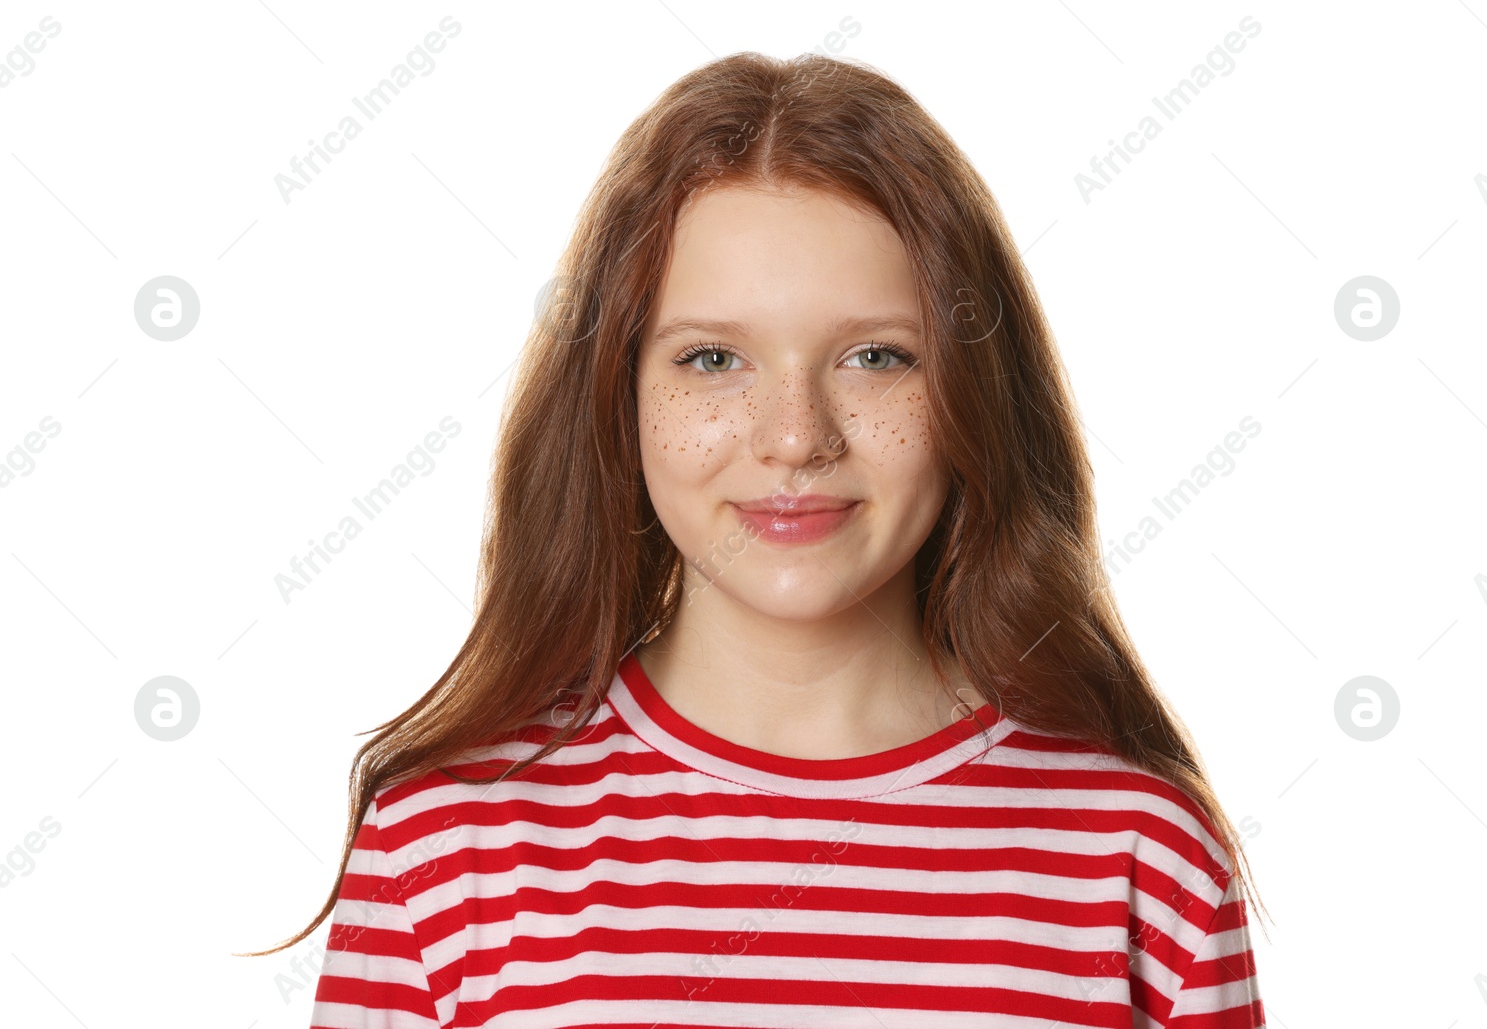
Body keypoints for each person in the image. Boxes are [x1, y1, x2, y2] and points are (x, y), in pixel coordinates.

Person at [242, 51, 1270, 1027]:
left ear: (972, 395)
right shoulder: (446, 848)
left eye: (876, 355)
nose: (794, 437)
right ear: (619, 397)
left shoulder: (1138, 857)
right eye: (711, 359)